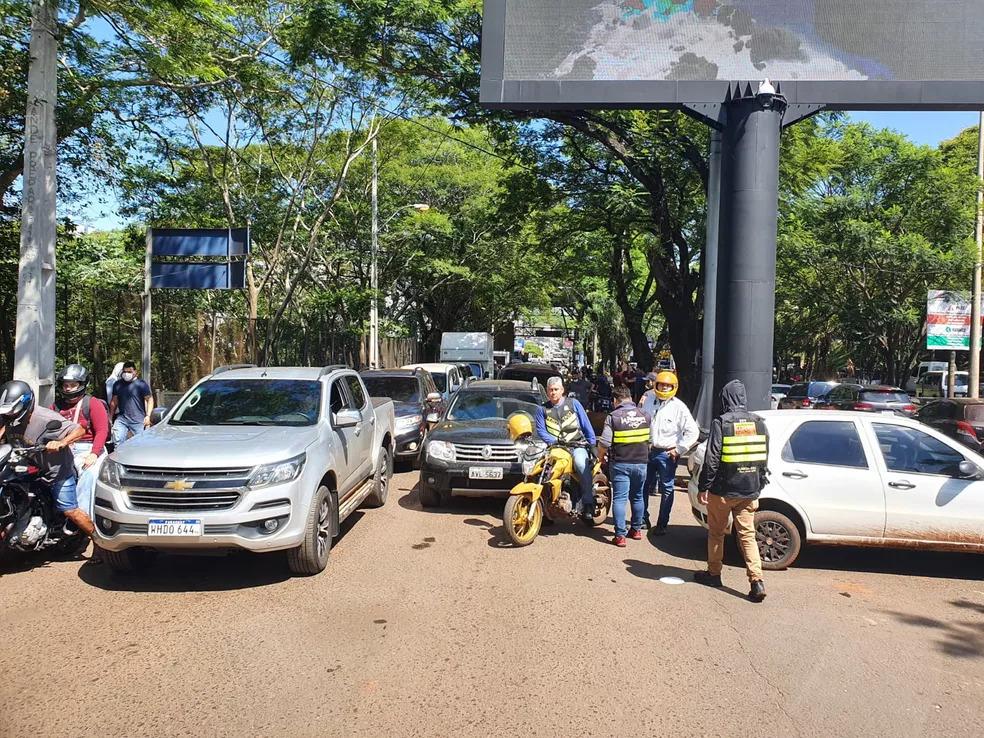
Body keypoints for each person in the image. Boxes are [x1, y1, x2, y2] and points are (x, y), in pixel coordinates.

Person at [695, 380, 769, 603]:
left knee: (716, 533)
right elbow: (763, 456)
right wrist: (759, 482)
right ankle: (757, 581)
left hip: (723, 491)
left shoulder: (722, 423)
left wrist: (703, 487)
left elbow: (712, 458)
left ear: (726, 398)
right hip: (749, 490)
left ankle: (714, 574)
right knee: (747, 536)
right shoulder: (759, 423)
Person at [0, 380, 93, 539]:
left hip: (56, 471)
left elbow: (80, 429)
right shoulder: (8, 417)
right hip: (28, 467)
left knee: (70, 510)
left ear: (25, 404)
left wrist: (61, 442)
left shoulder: (45, 418)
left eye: (13, 412)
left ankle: (100, 544)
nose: (10, 415)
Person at [51, 364, 109, 521]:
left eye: (73, 385)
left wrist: (94, 454)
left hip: (87, 449)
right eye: (65, 385)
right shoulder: (56, 406)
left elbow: (102, 430)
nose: (68, 389)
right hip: (62, 448)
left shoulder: (92, 403)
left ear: (82, 385)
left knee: (88, 475)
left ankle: (80, 518)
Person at [534, 376, 598, 522]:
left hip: (577, 445)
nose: (553, 393)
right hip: (556, 447)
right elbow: (541, 430)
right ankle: (545, 508)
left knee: (582, 465)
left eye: (556, 389)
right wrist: (554, 441)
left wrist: (592, 444)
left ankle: (588, 504)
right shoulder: (542, 409)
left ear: (562, 390)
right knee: (543, 470)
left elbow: (586, 424)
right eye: (550, 390)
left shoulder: (573, 403)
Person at [597, 385, 651, 547]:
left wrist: (600, 457)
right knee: (638, 496)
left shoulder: (613, 417)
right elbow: (652, 440)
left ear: (615, 400)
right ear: (630, 398)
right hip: (641, 463)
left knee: (620, 499)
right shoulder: (646, 415)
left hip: (620, 463)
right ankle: (636, 530)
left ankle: (620, 536)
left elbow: (605, 442)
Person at [645, 371, 699, 533]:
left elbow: (693, 432)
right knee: (644, 486)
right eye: (662, 384)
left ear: (674, 387)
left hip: (667, 454)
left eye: (668, 385)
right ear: (656, 385)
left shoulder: (678, 407)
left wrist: (679, 450)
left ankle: (662, 524)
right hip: (648, 451)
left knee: (667, 488)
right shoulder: (648, 401)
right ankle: (642, 519)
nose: (664, 388)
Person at [109, 360, 154, 447]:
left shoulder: (141, 384)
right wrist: (110, 416)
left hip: (138, 420)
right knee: (117, 442)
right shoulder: (117, 384)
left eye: (129, 372)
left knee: (141, 444)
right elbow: (114, 401)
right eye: (125, 372)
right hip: (122, 419)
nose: (126, 374)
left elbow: (150, 400)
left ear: (135, 372)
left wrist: (148, 416)